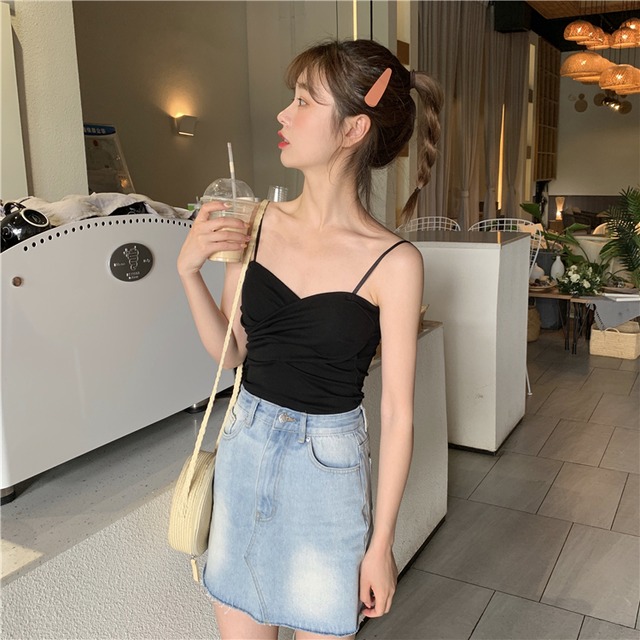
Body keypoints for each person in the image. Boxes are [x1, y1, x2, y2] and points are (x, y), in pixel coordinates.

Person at [177, 39, 442, 640]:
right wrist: (188, 271)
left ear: (352, 129)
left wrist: (381, 545)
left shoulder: (396, 262)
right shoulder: (255, 222)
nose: (283, 114)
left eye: (302, 101)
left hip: (328, 477)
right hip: (244, 452)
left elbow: (398, 414)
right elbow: (232, 354)